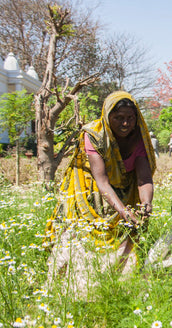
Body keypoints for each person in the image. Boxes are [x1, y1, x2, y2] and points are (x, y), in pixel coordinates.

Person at [45, 91, 156, 298]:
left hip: (125, 191)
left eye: (130, 118)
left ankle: (121, 290)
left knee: (127, 238)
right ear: (107, 116)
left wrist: (146, 204)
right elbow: (102, 181)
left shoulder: (138, 136)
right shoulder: (94, 134)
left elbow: (144, 178)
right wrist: (123, 211)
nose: (125, 124)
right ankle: (73, 291)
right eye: (119, 118)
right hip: (90, 193)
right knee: (84, 238)